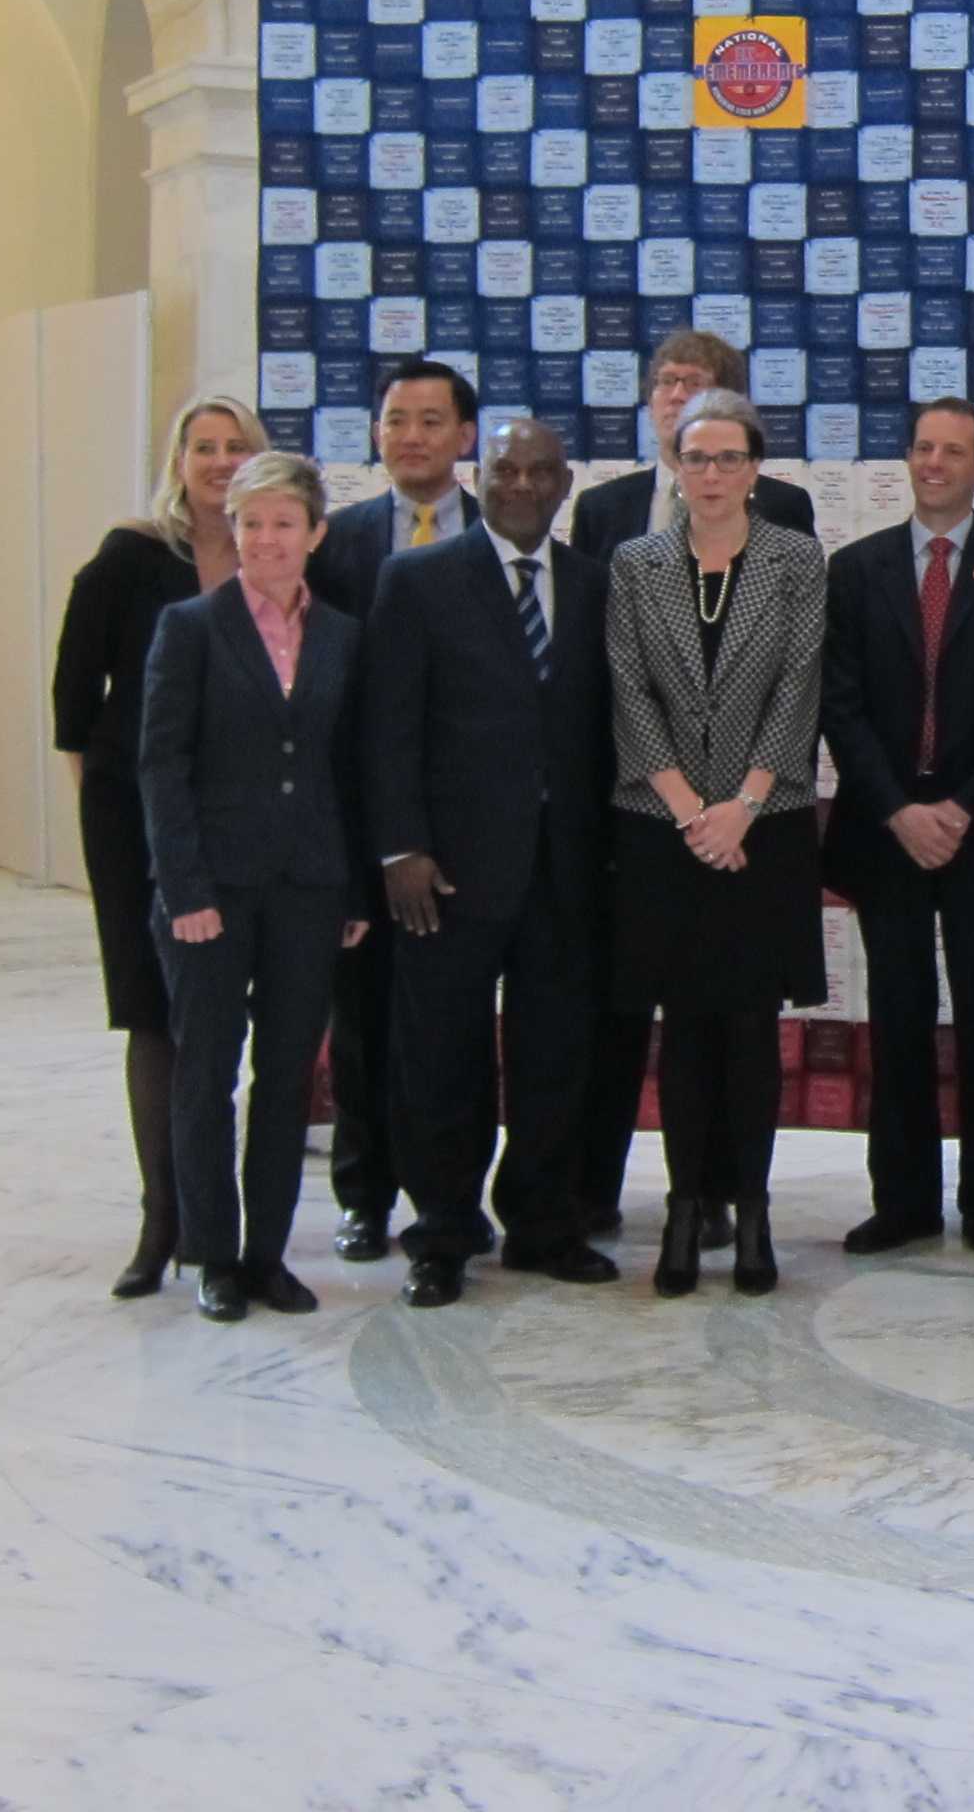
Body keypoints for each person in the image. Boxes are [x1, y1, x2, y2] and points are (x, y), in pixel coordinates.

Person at [360, 416, 620, 1307]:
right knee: (441, 1055)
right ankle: (442, 1231)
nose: (519, 484)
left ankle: (543, 1223)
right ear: (481, 474)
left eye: (538, 471)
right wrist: (400, 847)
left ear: (564, 483)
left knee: (556, 1053)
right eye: (503, 468)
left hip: (566, 871)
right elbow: (386, 728)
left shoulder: (594, 587)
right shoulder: (417, 580)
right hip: (448, 872)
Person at [570, 330, 811, 1250]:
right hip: (653, 821)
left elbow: (798, 682)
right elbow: (620, 684)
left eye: (698, 390)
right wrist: (684, 810)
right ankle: (655, 1201)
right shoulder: (619, 535)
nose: (706, 464)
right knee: (658, 1021)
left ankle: (739, 1205)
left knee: (746, 1025)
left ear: (750, 461)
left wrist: (740, 805)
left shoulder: (791, 538)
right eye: (667, 390)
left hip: (759, 823)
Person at [136, 451, 373, 1323]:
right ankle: (213, 1255)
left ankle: (268, 1253)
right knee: (206, 1072)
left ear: (314, 534)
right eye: (249, 522)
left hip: (308, 887)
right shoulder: (190, 628)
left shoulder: (344, 635)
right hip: (211, 889)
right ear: (230, 531)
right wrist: (184, 886)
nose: (265, 539)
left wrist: (351, 891)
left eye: (282, 523)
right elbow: (161, 766)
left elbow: (348, 771)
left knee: (285, 1078)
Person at [51, 392, 259, 1298]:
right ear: (177, 460)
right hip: (134, 816)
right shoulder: (130, 558)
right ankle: (160, 1216)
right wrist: (119, 821)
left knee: (229, 1019)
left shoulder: (277, 553)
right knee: (153, 1014)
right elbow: (73, 710)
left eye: (234, 447)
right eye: (201, 447)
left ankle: (225, 1217)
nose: (217, 462)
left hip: (245, 819)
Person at [820, 399, 974, 1259]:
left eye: (954, 451)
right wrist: (899, 809)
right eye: (922, 448)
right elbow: (840, 703)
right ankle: (902, 1200)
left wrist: (966, 805)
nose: (934, 463)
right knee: (897, 1018)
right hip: (887, 829)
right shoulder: (856, 567)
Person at [303, 357, 481, 1267]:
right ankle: (365, 1195)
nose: (410, 435)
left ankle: (453, 1198)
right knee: (364, 1021)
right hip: (368, 827)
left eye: (429, 420)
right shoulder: (338, 546)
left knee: (452, 1031)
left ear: (466, 436)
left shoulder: (504, 534)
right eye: (395, 419)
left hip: (475, 830)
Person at [568, 328, 820, 555]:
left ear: (728, 402)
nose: (676, 396)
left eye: (694, 383)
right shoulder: (600, 508)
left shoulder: (782, 507)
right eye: (666, 381)